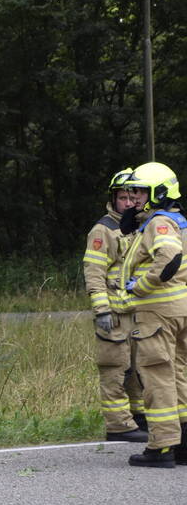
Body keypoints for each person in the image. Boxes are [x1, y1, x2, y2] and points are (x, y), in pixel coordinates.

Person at [113, 162, 187, 467]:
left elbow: (168, 258)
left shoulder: (159, 223)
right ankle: (183, 444)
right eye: (132, 191)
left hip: (157, 312)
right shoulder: (177, 220)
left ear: (159, 192)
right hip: (179, 309)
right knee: (179, 375)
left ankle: (161, 447)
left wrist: (140, 286)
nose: (135, 198)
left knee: (156, 376)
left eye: (141, 191)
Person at [82, 168, 148, 443]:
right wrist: (102, 311)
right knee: (115, 369)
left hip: (138, 312)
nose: (129, 203)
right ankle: (118, 425)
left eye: (133, 197)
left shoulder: (141, 227)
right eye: (123, 198)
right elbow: (94, 272)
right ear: (113, 198)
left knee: (139, 368)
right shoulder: (104, 230)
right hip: (114, 315)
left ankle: (138, 416)